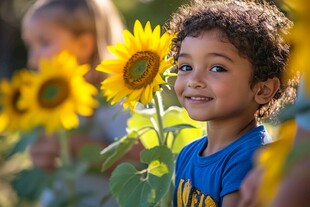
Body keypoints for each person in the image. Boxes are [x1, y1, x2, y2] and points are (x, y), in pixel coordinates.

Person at [165, 0, 295, 206]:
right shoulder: (187, 154)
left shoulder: (251, 158)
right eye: (186, 66)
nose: (194, 80)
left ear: (263, 89)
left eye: (217, 68)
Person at [21, 0, 143, 206]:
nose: (33, 59)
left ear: (84, 45)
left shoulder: (113, 101)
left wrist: (74, 144)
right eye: (30, 46)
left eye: (44, 43)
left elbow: (140, 162)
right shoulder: (51, 105)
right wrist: (43, 158)